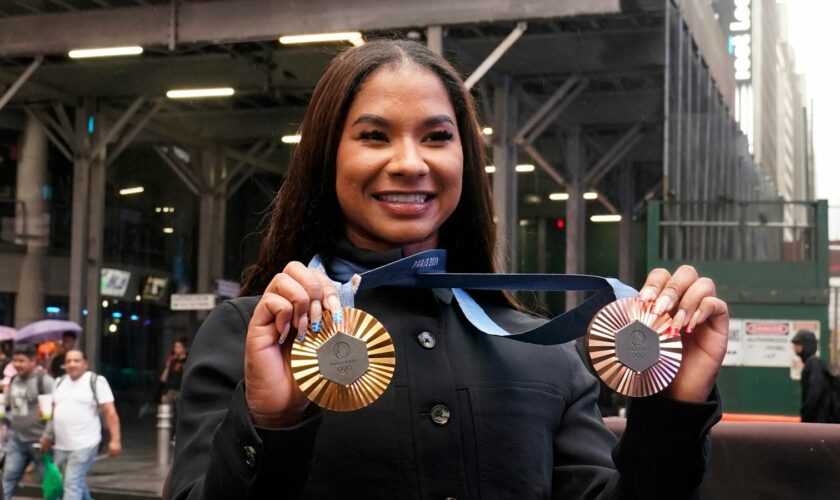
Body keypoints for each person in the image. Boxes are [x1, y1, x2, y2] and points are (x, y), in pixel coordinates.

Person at [169, 39, 729, 499]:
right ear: (326, 157)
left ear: (466, 159)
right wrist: (271, 426)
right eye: (374, 136)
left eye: (437, 137)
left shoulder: (547, 352)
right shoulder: (253, 338)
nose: (410, 163)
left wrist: (671, 411)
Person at [40, 349, 122, 500]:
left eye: (77, 361)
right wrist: (47, 435)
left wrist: (115, 440)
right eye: (68, 361)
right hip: (62, 445)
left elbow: (110, 412)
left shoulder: (96, 381)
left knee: (72, 484)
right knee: (73, 482)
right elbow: (52, 412)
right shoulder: (59, 382)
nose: (72, 364)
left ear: (85, 364)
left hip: (85, 443)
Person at [2, 343, 54, 499]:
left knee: (49, 482)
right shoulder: (14, 380)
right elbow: (12, 407)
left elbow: (53, 412)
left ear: (33, 361)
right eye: (15, 360)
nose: (17, 364)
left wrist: (48, 436)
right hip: (16, 439)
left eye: (21, 361)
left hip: (40, 441)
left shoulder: (45, 381)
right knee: (7, 478)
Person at [791, 330, 832, 422]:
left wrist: (805, 413)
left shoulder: (813, 364)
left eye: (798, 344)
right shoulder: (815, 363)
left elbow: (814, 393)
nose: (795, 347)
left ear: (806, 346)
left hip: (818, 422)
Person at [160, 337, 189, 404]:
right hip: (170, 392)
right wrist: (168, 366)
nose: (176, 349)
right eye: (175, 347)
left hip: (182, 392)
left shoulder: (188, 360)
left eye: (179, 347)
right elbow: (163, 380)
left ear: (184, 348)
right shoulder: (172, 362)